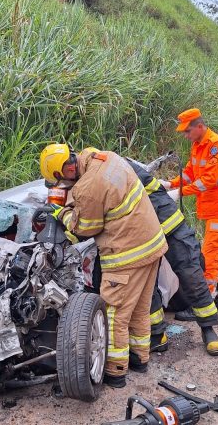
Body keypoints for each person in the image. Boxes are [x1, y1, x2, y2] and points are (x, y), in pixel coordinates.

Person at [39, 144, 166, 388]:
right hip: (151, 245)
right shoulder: (104, 157)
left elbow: (86, 227)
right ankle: (140, 359)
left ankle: (115, 371)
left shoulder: (88, 187)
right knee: (139, 309)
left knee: (113, 313)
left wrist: (61, 213)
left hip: (127, 255)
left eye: (60, 181)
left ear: (67, 169)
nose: (62, 186)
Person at [125, 159, 218, 356]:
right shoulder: (92, 175)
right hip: (141, 232)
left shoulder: (115, 167)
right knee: (146, 282)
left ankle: (208, 329)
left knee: (190, 272)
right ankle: (157, 335)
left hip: (166, 221)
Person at [162, 108, 218, 312]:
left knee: (210, 254)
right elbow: (189, 173)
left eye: (187, 132)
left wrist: (180, 193)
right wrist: (170, 185)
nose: (185, 136)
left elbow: (208, 181)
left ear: (199, 126)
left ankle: (201, 304)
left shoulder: (216, 145)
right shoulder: (198, 145)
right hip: (212, 207)